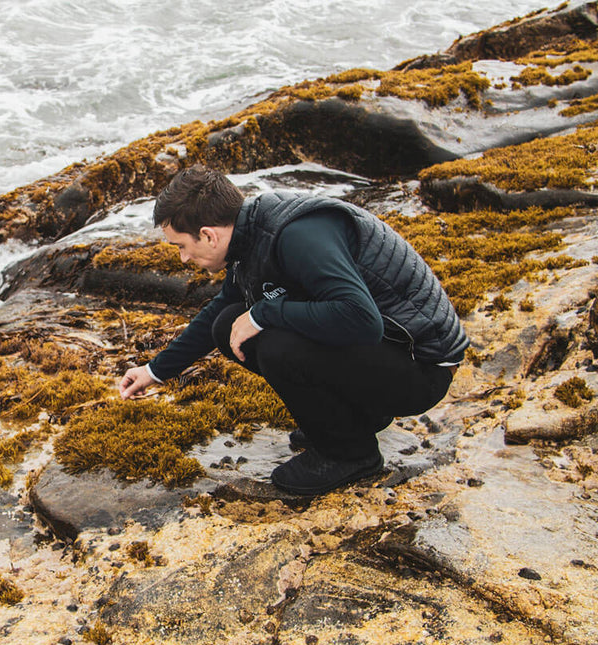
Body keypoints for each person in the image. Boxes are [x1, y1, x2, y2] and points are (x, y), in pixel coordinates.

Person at [119, 165, 468, 496]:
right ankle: (356, 417)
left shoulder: (296, 235)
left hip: (421, 368)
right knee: (228, 323)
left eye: (181, 246)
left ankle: (350, 454)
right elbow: (217, 314)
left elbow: (361, 318)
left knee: (275, 344)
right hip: (386, 353)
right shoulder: (249, 234)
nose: (182, 258)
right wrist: (155, 371)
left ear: (208, 235)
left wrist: (266, 312)